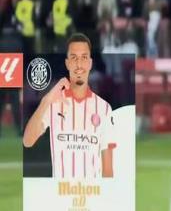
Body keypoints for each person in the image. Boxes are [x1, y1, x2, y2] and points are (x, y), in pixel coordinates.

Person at [23, 33, 115, 178]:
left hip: (91, 192)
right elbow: (28, 141)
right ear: (67, 63)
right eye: (74, 58)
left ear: (90, 63)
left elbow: (108, 170)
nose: (79, 64)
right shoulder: (53, 103)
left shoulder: (104, 108)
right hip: (60, 191)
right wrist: (46, 101)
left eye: (84, 58)